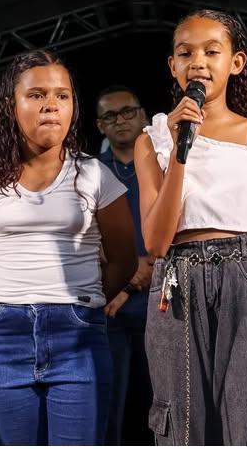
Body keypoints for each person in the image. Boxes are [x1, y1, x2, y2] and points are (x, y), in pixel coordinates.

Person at [0, 50, 138, 445]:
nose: (51, 105)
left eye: (62, 95)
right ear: (11, 104)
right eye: (37, 95)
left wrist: (82, 299)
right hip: (5, 333)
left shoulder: (94, 173)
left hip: (79, 333)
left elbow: (124, 260)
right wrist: (9, 293)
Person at [135, 9, 247, 445]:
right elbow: (156, 241)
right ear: (172, 65)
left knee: (245, 413)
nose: (198, 62)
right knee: (181, 417)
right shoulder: (153, 139)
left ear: (236, 62)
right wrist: (179, 151)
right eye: (185, 53)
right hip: (176, 277)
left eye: (211, 51)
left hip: (245, 276)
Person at [95, 85, 153, 445]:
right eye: (110, 116)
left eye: (128, 111)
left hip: (161, 305)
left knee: (161, 408)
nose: (120, 120)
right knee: (109, 410)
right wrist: (124, 278)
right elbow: (84, 235)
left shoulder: (165, 165)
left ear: (143, 116)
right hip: (108, 305)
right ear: (100, 125)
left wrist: (132, 279)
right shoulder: (90, 171)